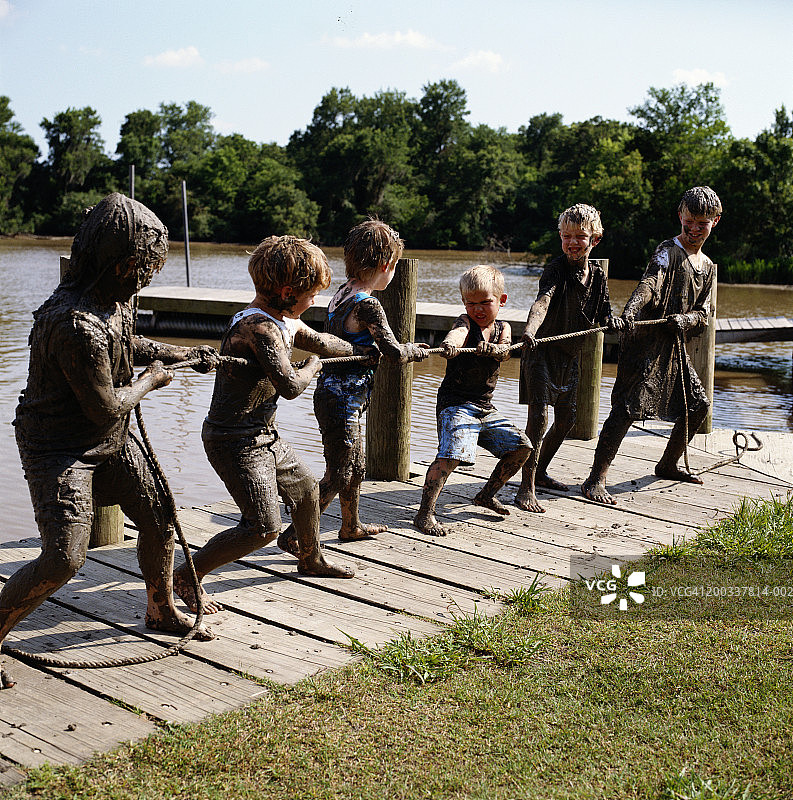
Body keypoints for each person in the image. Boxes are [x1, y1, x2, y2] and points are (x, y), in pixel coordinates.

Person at [1, 193, 219, 690]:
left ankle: (160, 608)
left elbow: (129, 343)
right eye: (147, 269)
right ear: (121, 264)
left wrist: (186, 353)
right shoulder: (74, 321)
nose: (149, 279)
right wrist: (153, 381)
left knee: (161, 516)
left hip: (111, 440)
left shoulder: (116, 302)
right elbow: (105, 403)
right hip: (60, 449)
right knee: (63, 558)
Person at [172, 235, 358, 617]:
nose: (313, 302)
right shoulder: (258, 329)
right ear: (288, 292)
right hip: (233, 441)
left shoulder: (284, 319)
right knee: (262, 527)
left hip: (264, 435)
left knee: (307, 490)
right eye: (310, 295)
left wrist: (361, 350)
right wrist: (312, 368)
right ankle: (188, 575)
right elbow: (290, 386)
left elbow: (322, 341)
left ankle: (310, 557)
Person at [581, 186, 722, 505]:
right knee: (628, 408)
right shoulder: (666, 251)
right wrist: (630, 312)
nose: (696, 229)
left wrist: (686, 320)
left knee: (698, 403)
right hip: (645, 344)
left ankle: (668, 464)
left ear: (716, 221)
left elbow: (703, 314)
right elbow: (648, 284)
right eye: (690, 221)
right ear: (680, 217)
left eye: (703, 223)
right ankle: (595, 480)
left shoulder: (709, 267)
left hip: (674, 348)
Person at [308, 219, 427, 544]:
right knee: (340, 472)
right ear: (387, 264)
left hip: (337, 394)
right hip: (342, 399)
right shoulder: (368, 303)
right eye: (395, 265)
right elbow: (394, 352)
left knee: (356, 467)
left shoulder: (340, 294)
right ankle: (297, 533)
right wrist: (415, 350)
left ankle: (351, 525)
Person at [515, 204, 624, 513]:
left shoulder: (598, 276)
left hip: (570, 356)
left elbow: (603, 311)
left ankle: (541, 469)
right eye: (567, 237)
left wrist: (613, 321)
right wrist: (530, 330)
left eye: (580, 237)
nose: (573, 243)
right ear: (560, 237)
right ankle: (526, 487)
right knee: (538, 421)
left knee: (567, 420)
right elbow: (543, 300)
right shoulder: (555, 269)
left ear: (596, 239)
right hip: (541, 352)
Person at [413, 265, 531, 537]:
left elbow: (505, 352)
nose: (477, 309)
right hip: (455, 406)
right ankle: (425, 514)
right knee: (451, 456)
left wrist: (495, 350)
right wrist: (450, 345)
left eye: (485, 303)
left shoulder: (503, 328)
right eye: (471, 303)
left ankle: (486, 495)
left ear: (501, 300)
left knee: (522, 447)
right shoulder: (464, 322)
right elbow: (456, 334)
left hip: (485, 408)